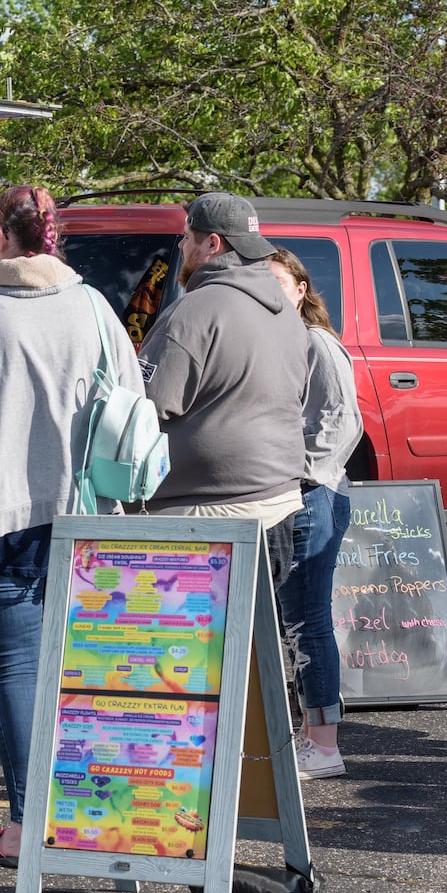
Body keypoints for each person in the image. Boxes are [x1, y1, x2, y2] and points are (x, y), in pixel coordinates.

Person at [0, 184, 144, 865]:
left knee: (15, 673)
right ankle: (90, 818)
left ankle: (23, 825)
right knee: (83, 673)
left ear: (2, 239)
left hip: (0, 515)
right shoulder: (96, 309)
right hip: (88, 519)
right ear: (55, 238)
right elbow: (132, 402)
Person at [138, 191, 309, 592]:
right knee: (255, 645)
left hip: (208, 516)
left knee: (189, 649)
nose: (180, 247)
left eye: (185, 236)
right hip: (279, 505)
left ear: (211, 244)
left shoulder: (194, 311)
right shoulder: (286, 313)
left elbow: (145, 408)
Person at [267, 248, 363, 780]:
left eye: (280, 282)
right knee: (290, 622)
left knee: (305, 622)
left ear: (301, 290)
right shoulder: (275, 342)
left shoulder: (316, 343)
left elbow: (342, 425)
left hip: (311, 495)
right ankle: (310, 738)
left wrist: (297, 477)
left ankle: (323, 747)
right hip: (290, 493)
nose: (271, 291)